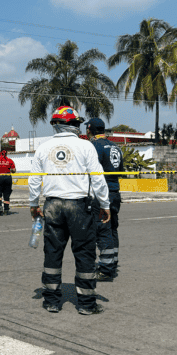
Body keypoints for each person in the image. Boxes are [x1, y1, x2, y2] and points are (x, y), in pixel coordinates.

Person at [29, 106, 111, 315]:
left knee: (53, 252)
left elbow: (34, 180)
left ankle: (51, 301)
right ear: (75, 124)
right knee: (84, 252)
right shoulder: (86, 147)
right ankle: (85, 304)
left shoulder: (43, 148)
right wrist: (105, 204)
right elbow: (98, 179)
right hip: (78, 206)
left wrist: (33, 204)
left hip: (53, 205)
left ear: (54, 125)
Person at [85, 118, 123, 282]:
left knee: (102, 230)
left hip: (102, 193)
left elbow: (90, 171)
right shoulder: (115, 147)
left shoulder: (94, 146)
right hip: (115, 192)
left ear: (89, 129)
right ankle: (112, 263)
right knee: (112, 228)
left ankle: (106, 270)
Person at [0, 149, 16, 215]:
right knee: (6, 194)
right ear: (6, 153)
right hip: (8, 178)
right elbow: (14, 170)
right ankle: (6, 209)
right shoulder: (10, 160)